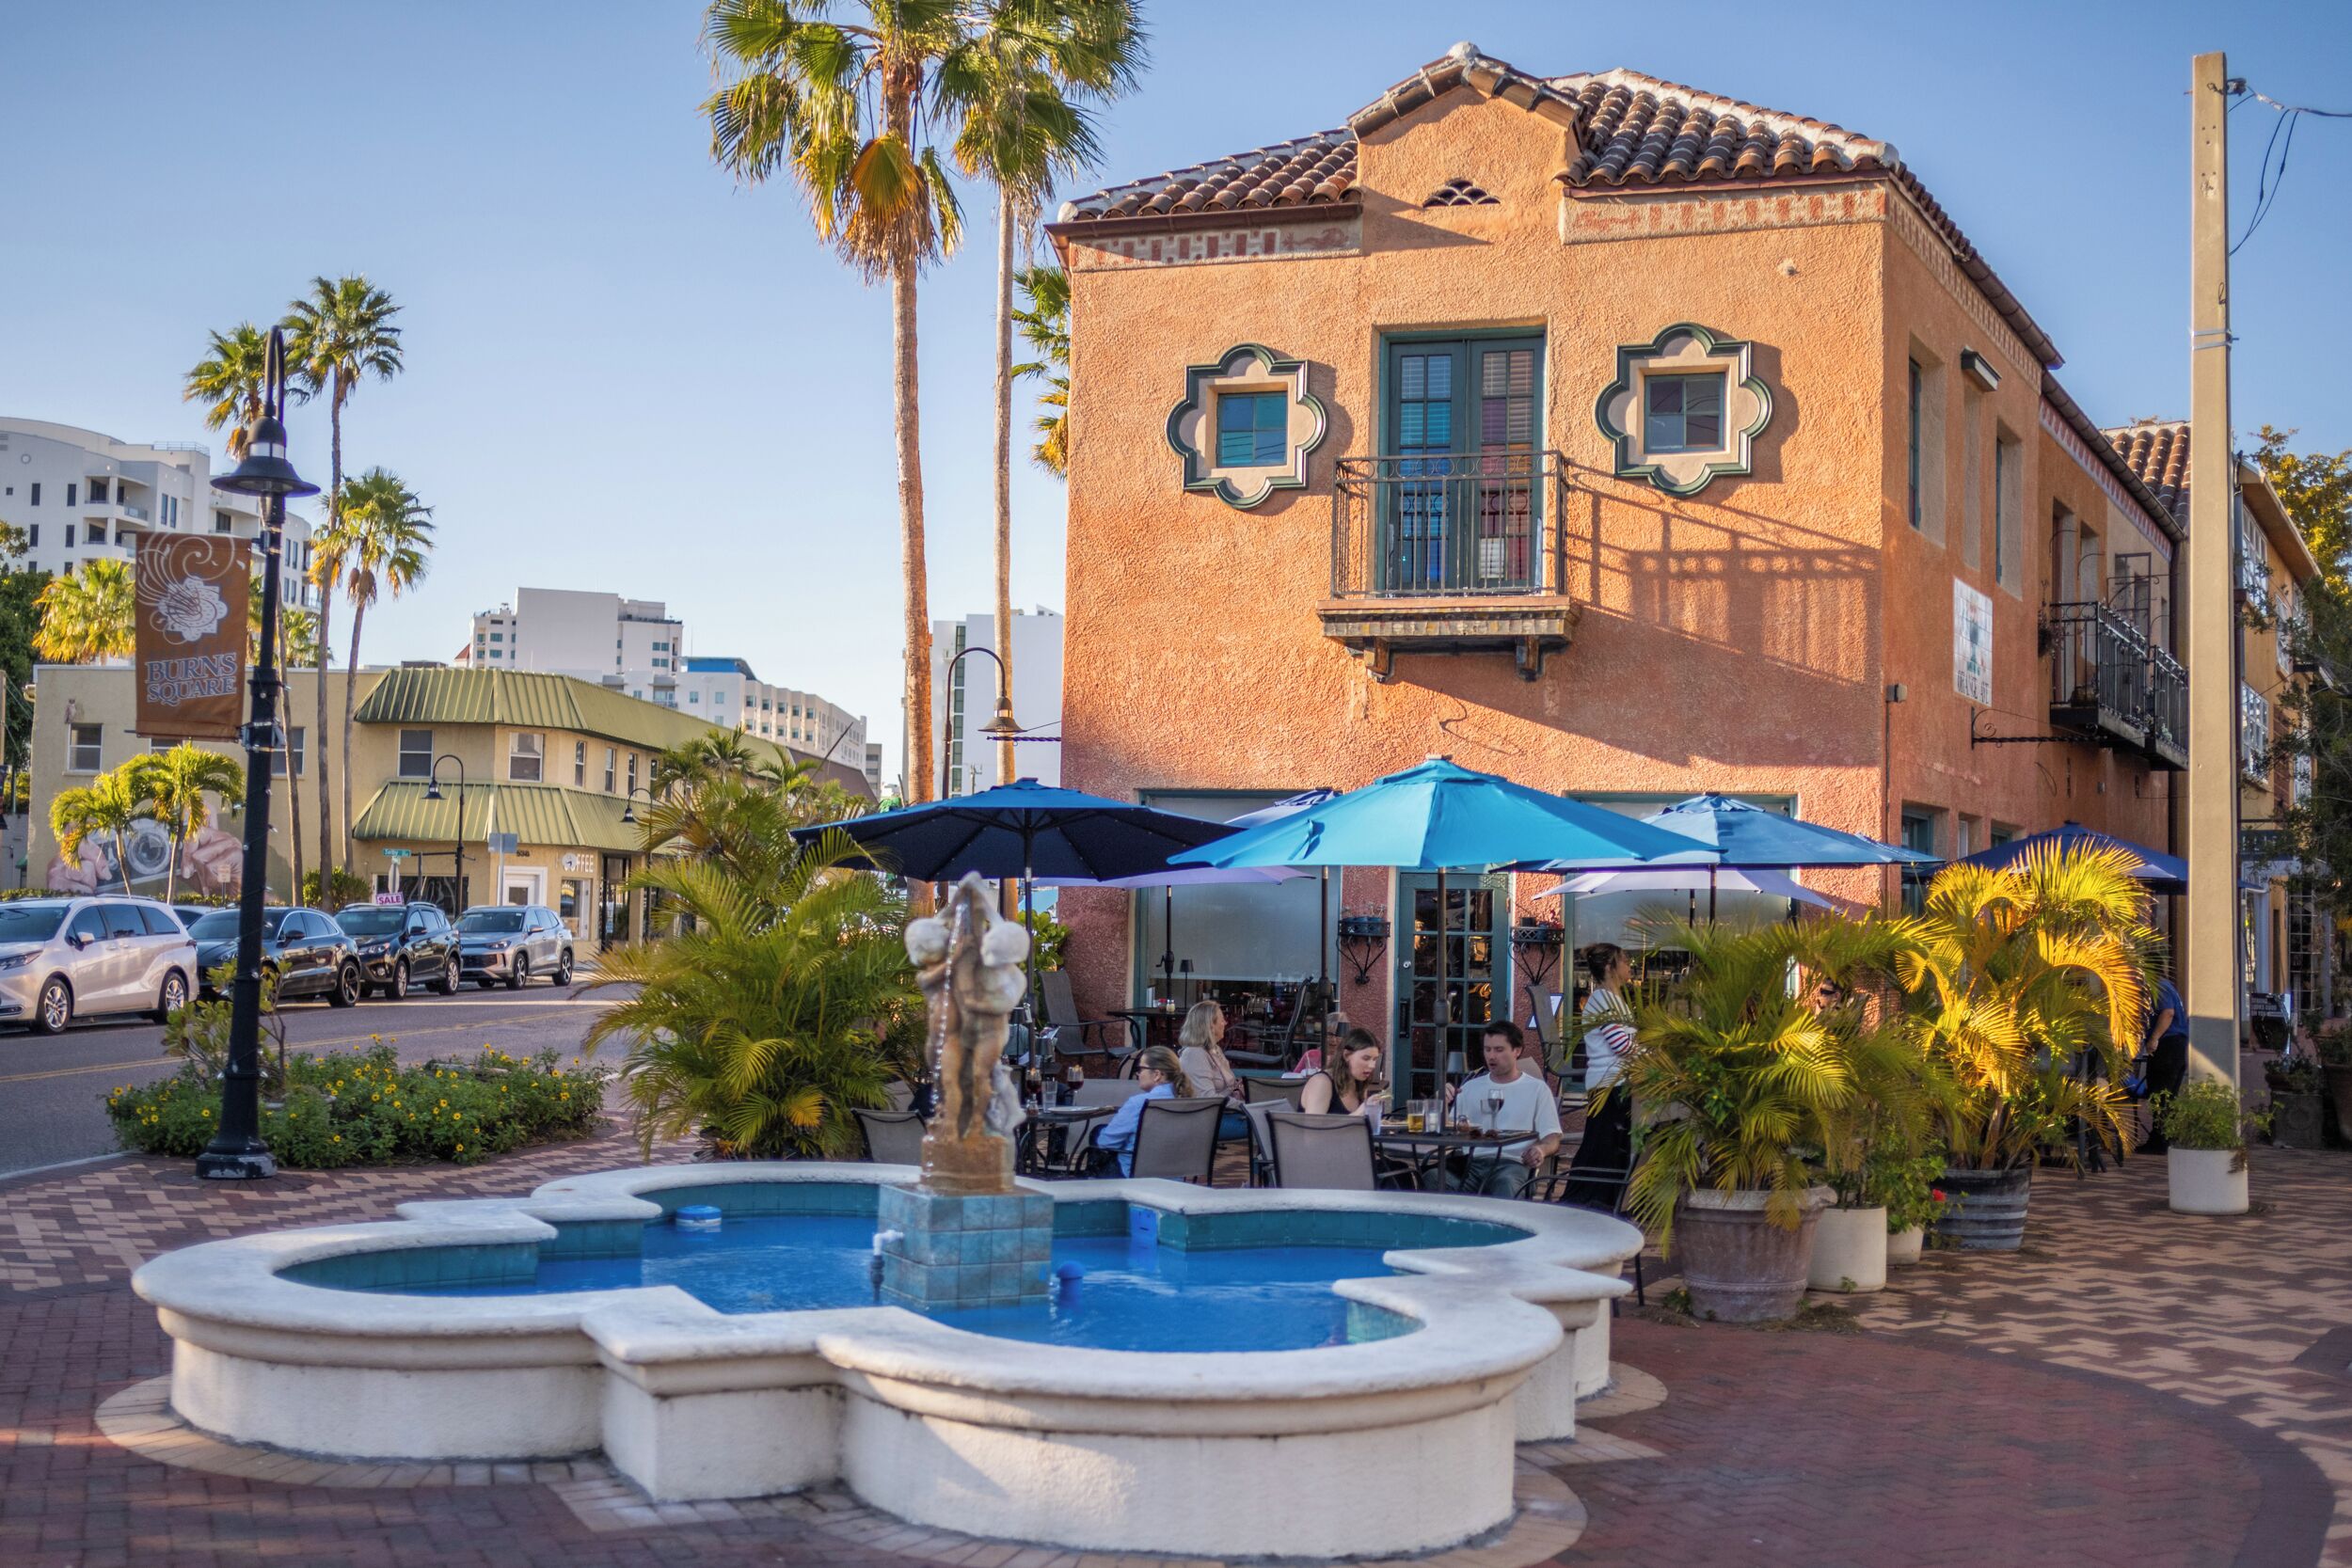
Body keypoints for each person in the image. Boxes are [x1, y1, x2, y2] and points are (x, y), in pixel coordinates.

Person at [1443, 1022, 1562, 1196]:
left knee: (1505, 1183)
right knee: (1434, 1178)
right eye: (1487, 1049)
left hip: (1512, 1163)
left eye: (1499, 1050)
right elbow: (1450, 1130)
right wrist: (1443, 1103)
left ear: (1517, 1051)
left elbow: (1552, 1136)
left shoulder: (1536, 1089)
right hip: (1472, 1163)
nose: (1491, 1056)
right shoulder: (1470, 1087)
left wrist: (1540, 1150)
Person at [1557, 944, 1636, 1209]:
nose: (1629, 966)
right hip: (1609, 1083)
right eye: (1624, 961)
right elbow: (1621, 1045)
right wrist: (1649, 1050)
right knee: (1604, 1147)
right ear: (1609, 967)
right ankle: (1593, 1202)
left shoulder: (1613, 999)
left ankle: (1600, 1202)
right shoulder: (1603, 999)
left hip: (1615, 1082)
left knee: (1607, 1145)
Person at [1090, 1046, 1194, 1177]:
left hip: (1134, 1176)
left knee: (1098, 1132)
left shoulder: (1139, 1103)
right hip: (1175, 1178)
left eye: (1140, 1069)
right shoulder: (1188, 1104)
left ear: (1157, 1075)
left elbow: (1106, 1143)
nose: (1137, 1074)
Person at [1176, 1000, 1250, 1142]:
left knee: (1270, 1120)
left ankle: (1265, 1162)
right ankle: (1265, 1163)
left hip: (1223, 1113)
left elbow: (1226, 1089)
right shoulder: (1194, 1054)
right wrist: (1245, 1106)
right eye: (1222, 1020)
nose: (1225, 1023)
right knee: (1267, 1124)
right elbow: (1208, 1098)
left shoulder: (1214, 1050)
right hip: (1204, 1120)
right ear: (1210, 1025)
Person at [2136, 972, 2191, 1154]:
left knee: (2160, 1093)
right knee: (2167, 1094)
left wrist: (2154, 1038)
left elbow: (2167, 1013)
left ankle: (2160, 1141)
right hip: (2176, 1044)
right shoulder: (2168, 986)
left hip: (2168, 1045)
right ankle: (2165, 1137)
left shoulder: (2159, 986)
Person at [1299, 1027, 1386, 1118]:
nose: (1372, 1065)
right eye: (1366, 1058)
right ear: (1347, 1055)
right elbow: (1313, 1129)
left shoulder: (1358, 1082)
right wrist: (1359, 1113)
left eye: (1375, 1059)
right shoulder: (1321, 1082)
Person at [1294, 1009, 1346, 1075]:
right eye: (1330, 1034)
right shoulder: (1311, 1055)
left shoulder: (1346, 1057)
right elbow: (1294, 1077)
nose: (1333, 1040)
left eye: (1338, 1035)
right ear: (1323, 1035)